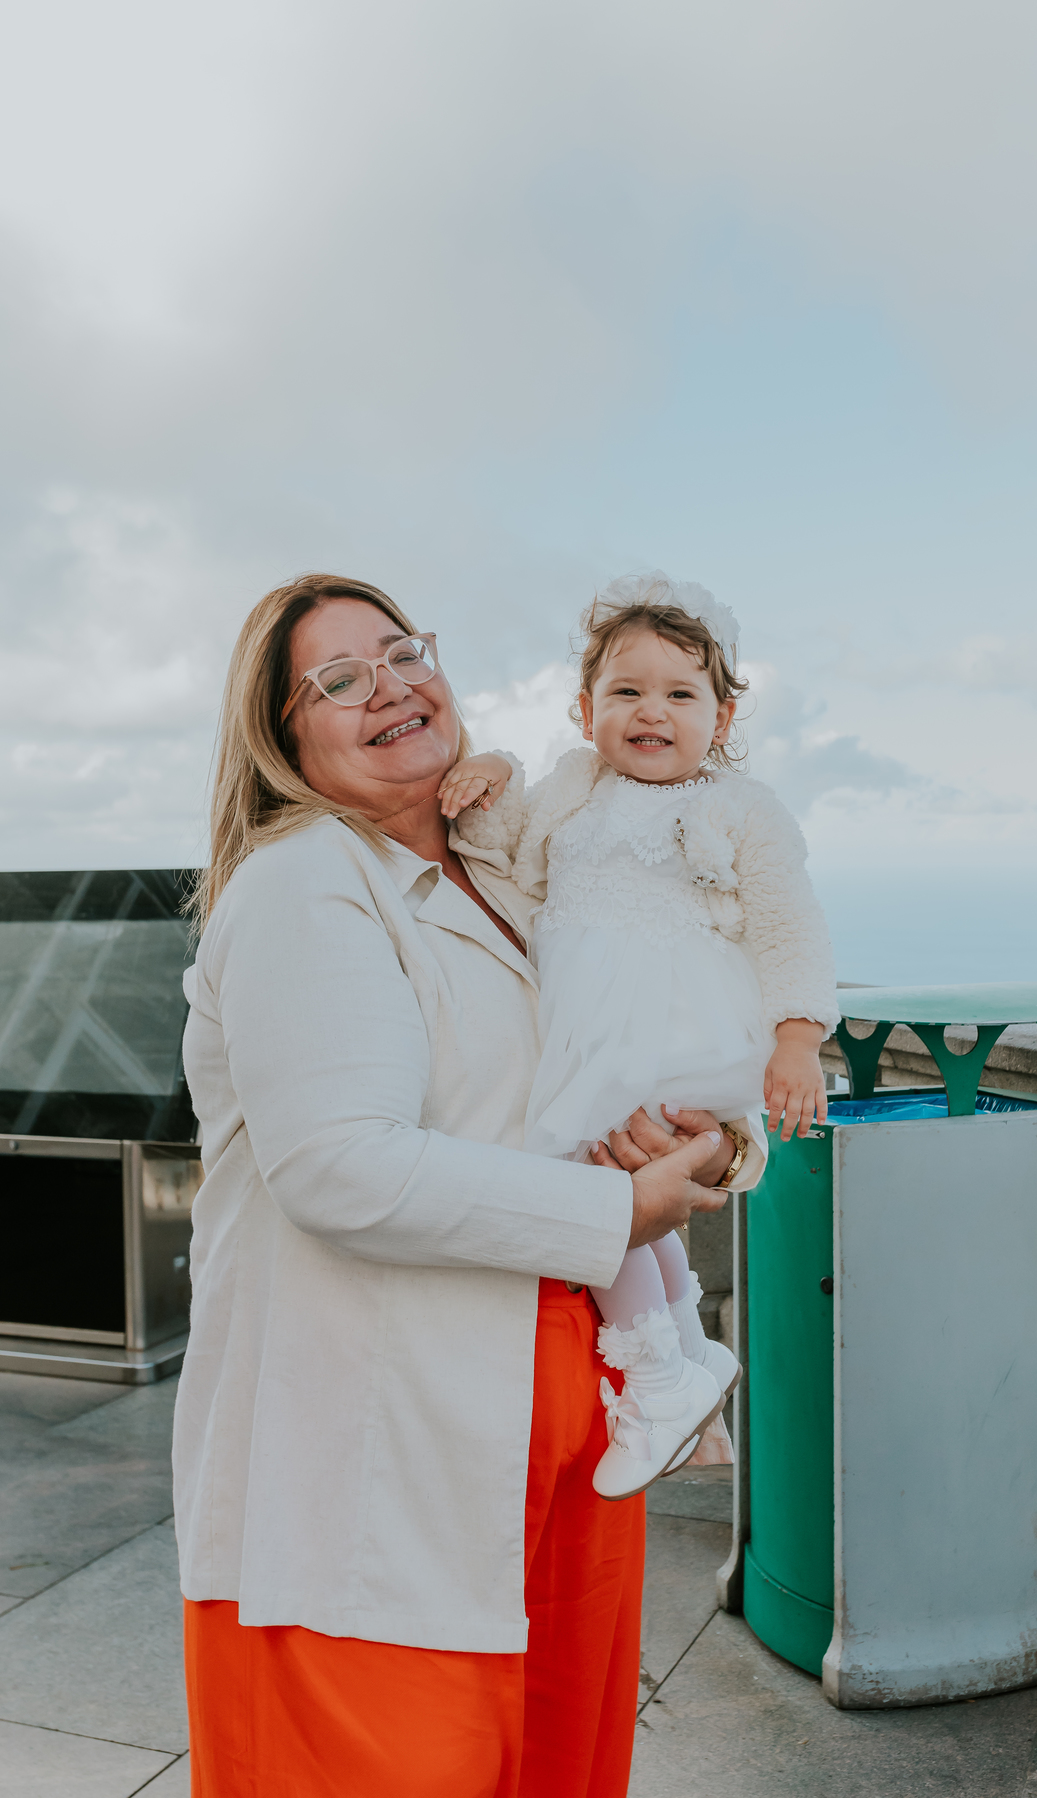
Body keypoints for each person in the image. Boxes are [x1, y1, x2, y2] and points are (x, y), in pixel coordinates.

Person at [174, 573, 763, 1798]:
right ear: (284, 738)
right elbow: (339, 1164)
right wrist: (622, 1211)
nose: (390, 684)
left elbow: (641, 1038)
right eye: (338, 679)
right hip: (382, 1468)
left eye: (402, 650)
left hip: (556, 1439)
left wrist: (707, 1138)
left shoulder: (516, 871)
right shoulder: (305, 886)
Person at [442, 572, 840, 1500]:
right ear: (584, 711)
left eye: (679, 693)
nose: (650, 711)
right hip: (583, 1025)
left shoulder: (744, 809)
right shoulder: (573, 787)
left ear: (724, 717)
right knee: (623, 1197)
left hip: (669, 1027)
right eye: (625, 691)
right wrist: (495, 767)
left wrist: (796, 1037)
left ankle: (657, 1381)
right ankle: (686, 1360)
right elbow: (495, 845)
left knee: (595, 1189)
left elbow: (789, 924)